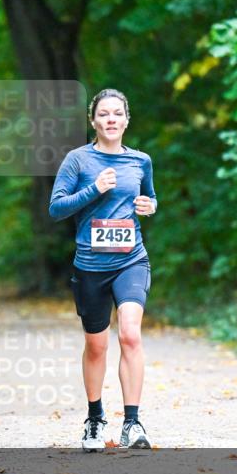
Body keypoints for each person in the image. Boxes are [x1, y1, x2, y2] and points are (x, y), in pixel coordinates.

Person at [48, 89, 157, 451]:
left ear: (127, 119)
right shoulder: (78, 160)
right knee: (96, 346)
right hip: (91, 265)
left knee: (130, 334)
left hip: (131, 259)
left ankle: (133, 423)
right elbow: (56, 208)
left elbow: (150, 197)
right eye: (104, 114)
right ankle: (95, 421)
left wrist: (148, 206)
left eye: (117, 114)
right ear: (93, 121)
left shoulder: (141, 161)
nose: (111, 120)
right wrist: (94, 189)